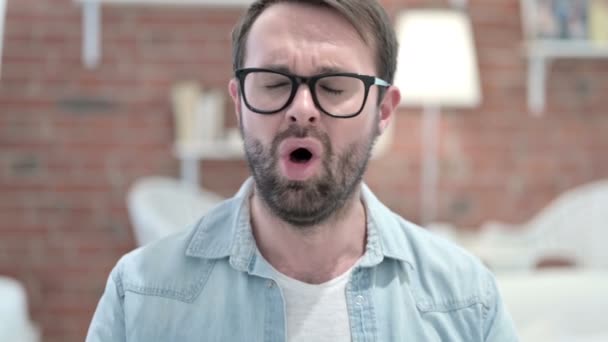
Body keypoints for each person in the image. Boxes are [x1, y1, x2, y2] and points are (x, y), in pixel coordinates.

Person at [86, 0, 518, 341]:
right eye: (274, 83)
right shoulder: (140, 294)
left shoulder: (465, 298)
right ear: (239, 103)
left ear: (383, 110)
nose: (302, 110)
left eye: (333, 87)